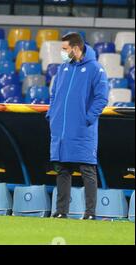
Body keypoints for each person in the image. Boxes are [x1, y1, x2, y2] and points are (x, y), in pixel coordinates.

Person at [47, 32, 109, 220]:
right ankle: (61, 212)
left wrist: (87, 119)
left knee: (87, 170)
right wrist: (52, 115)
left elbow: (101, 98)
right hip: (61, 130)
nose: (62, 52)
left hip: (82, 129)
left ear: (76, 48)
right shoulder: (63, 68)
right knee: (62, 171)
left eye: (65, 49)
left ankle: (90, 213)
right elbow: (54, 93)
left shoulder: (95, 69)